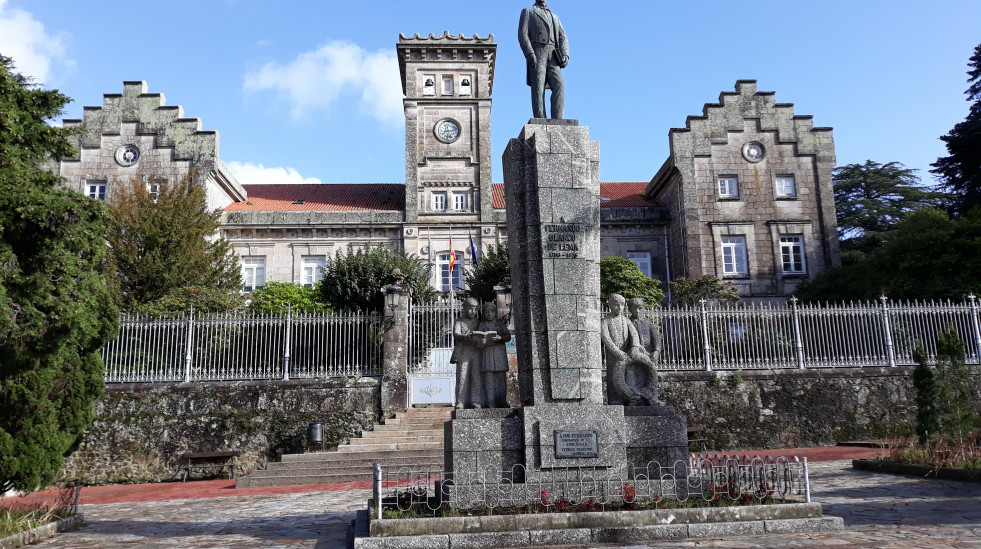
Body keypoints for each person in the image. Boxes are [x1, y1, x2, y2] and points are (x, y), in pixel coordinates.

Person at [601, 294, 658, 406]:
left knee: (626, 377)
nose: (619, 308)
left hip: (627, 353)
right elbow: (606, 338)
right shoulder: (605, 321)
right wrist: (616, 351)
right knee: (613, 378)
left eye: (621, 305)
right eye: (616, 305)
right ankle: (615, 402)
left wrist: (634, 347)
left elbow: (634, 334)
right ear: (610, 305)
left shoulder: (626, 320)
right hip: (613, 355)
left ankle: (630, 399)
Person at [518, 0, 569, 119]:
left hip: (554, 54)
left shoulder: (554, 16)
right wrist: (530, 53)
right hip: (537, 51)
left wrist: (565, 54)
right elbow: (522, 34)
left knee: (559, 85)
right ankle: (540, 118)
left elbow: (563, 37)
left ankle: (558, 119)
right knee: (538, 87)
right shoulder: (528, 12)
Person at [476, 302, 511, 408]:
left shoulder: (500, 325)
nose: (489, 314)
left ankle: (502, 401)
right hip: (487, 352)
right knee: (488, 377)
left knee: (501, 377)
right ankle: (490, 401)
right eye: (486, 312)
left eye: (491, 311)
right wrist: (481, 341)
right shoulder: (482, 325)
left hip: (499, 352)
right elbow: (478, 339)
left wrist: (500, 338)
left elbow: (508, 336)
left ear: (495, 313)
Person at [450, 297, 482, 409]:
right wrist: (466, 337)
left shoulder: (478, 322)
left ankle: (475, 400)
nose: (473, 312)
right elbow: (456, 334)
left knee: (476, 376)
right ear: (464, 308)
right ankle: (460, 401)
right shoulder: (459, 321)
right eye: (470, 309)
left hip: (476, 351)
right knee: (462, 377)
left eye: (475, 309)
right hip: (463, 351)